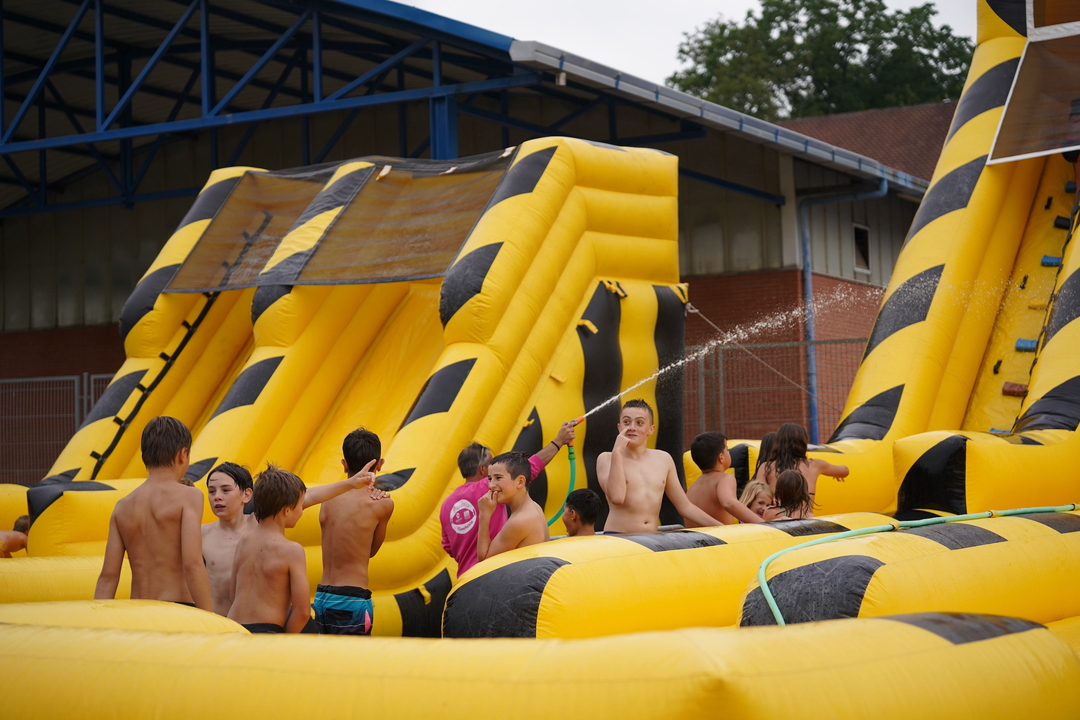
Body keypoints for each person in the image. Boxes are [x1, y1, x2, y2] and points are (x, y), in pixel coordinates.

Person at [202, 458, 385, 617]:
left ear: (247, 494)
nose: (217, 497)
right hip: (217, 624)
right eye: (211, 491)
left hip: (253, 627)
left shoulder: (261, 524)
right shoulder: (202, 534)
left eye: (225, 490)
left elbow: (307, 496)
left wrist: (351, 483)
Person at [94, 416, 212, 609]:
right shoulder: (189, 496)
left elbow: (108, 577)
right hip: (177, 609)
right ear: (183, 454)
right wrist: (211, 617)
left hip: (138, 610)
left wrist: (96, 620)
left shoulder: (122, 507)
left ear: (144, 457)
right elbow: (192, 564)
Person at [441, 422, 575, 577]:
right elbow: (530, 467)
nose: (492, 484)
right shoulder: (495, 490)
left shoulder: (446, 504)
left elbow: (448, 546)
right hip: (489, 577)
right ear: (483, 470)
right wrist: (558, 442)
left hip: (466, 577)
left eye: (498, 477)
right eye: (491, 474)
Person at [596, 399, 724, 533]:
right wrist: (617, 452)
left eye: (639, 423)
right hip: (619, 536)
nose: (632, 427)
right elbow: (617, 497)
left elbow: (685, 506)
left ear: (651, 429)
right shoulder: (607, 458)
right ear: (619, 427)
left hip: (651, 539)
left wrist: (723, 528)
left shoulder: (663, 459)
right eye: (626, 422)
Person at [315, 428, 394, 636]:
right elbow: (370, 551)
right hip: (352, 598)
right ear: (380, 464)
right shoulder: (382, 504)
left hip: (322, 596)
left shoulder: (327, 499)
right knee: (353, 655)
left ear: (344, 464)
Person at [477, 452, 549, 562]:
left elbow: (484, 562)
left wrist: (484, 515)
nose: (491, 485)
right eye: (490, 478)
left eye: (498, 478)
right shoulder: (534, 507)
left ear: (520, 482)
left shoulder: (519, 521)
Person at [685, 432, 764, 525]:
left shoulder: (692, 488)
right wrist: (764, 524)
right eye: (727, 449)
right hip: (718, 534)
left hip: (694, 534)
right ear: (721, 457)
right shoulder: (724, 479)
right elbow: (729, 503)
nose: (729, 452)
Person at [764, 423, 849, 497]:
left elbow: (759, 491)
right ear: (803, 443)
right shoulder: (815, 464)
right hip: (805, 511)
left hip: (777, 511)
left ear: (778, 443)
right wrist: (838, 472)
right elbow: (845, 471)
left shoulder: (767, 467)